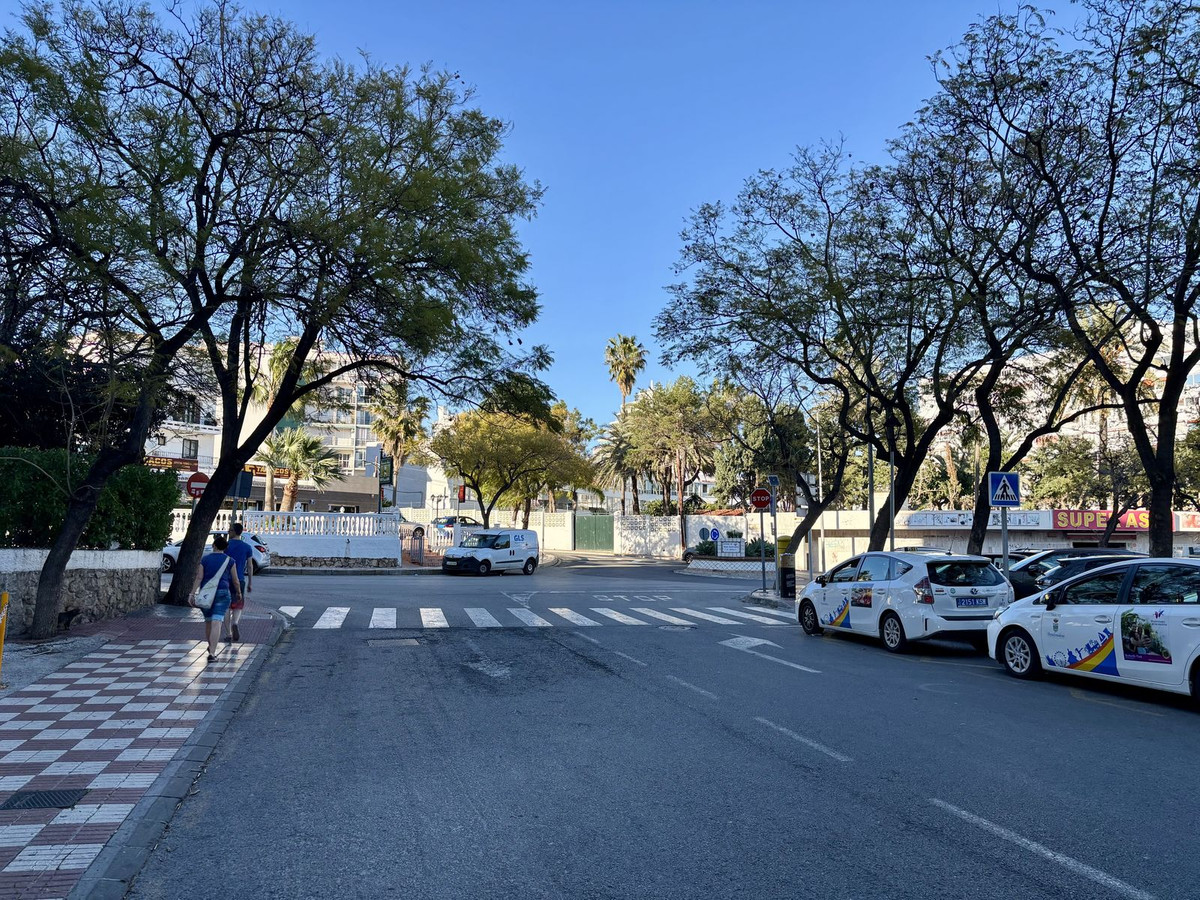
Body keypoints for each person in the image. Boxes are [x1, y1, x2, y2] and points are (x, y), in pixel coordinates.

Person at [193, 535, 242, 662]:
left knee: (208, 622)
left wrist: (191, 594)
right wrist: (238, 592)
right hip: (222, 593)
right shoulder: (230, 561)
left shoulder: (205, 559)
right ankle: (212, 653)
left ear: (213, 545)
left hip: (206, 594)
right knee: (217, 622)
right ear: (225, 548)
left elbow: (199, 577)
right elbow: (235, 580)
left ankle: (211, 646)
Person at [224, 522, 254, 643]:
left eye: (230, 530)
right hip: (240, 579)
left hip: (226, 579)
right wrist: (250, 582)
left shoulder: (226, 546)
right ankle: (235, 623)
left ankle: (228, 634)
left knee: (226, 606)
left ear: (234, 532)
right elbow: (250, 566)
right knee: (238, 605)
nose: (228, 532)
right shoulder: (247, 547)